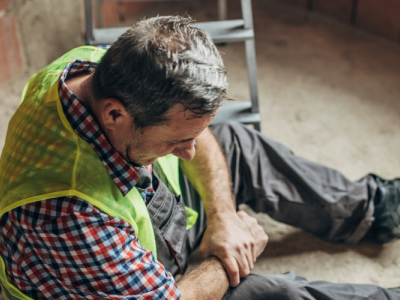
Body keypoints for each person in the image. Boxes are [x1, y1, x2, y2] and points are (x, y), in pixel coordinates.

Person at [0, 15, 399, 300]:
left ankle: (375, 209)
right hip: (118, 272)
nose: (190, 150)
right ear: (115, 114)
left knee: (235, 144)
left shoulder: (101, 66)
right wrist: (223, 261)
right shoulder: (66, 216)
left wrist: (224, 219)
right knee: (279, 293)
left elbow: (200, 136)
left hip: (145, 215)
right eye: (176, 141)